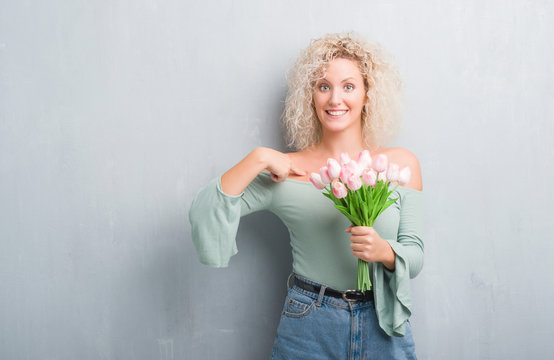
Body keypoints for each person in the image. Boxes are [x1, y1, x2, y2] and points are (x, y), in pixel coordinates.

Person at [189, 32, 423, 359]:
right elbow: (206, 210)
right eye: (323, 86)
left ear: (368, 94)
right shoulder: (287, 170)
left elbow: (415, 255)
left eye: (349, 86)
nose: (334, 99)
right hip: (309, 322)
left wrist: (384, 251)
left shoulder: (399, 164)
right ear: (310, 95)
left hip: (384, 322)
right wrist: (258, 157)